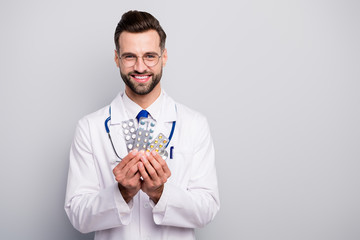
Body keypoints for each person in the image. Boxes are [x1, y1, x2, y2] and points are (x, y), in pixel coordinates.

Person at [64, 10, 220, 240]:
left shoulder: (194, 125)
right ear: (117, 58)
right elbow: (77, 215)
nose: (140, 67)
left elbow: (207, 209)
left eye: (149, 56)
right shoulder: (90, 128)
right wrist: (122, 193)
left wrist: (160, 193)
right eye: (129, 56)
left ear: (163, 57)